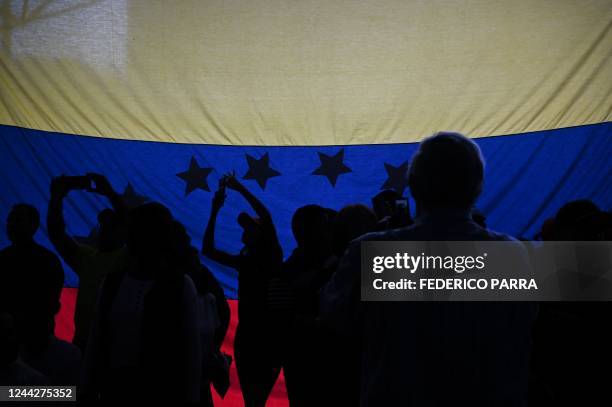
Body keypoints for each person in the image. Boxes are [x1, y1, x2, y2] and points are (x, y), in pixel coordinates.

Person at [320, 132, 537, 406]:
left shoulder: (371, 254)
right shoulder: (512, 256)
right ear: (478, 186)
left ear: (412, 184)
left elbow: (336, 319)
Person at [83, 202, 201, 402]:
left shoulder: (181, 285)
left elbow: (191, 352)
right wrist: (86, 390)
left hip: (161, 392)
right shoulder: (112, 283)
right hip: (115, 390)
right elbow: (96, 341)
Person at [202, 173, 283, 407]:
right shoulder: (244, 261)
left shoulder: (271, 256)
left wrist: (240, 188)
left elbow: (266, 216)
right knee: (252, 399)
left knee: (257, 397)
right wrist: (215, 210)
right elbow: (208, 250)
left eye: (251, 227)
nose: (245, 230)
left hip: (267, 335)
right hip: (247, 336)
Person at [47, 174, 129, 349]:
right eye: (103, 226)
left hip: (115, 347)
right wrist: (56, 198)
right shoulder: (88, 258)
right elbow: (57, 234)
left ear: (124, 231)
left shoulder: (129, 258)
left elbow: (133, 226)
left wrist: (110, 194)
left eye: (112, 226)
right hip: (84, 343)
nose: (105, 231)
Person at [0, 204, 64, 350]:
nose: (11, 225)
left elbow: (49, 303)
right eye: (10, 220)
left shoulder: (47, 261)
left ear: (34, 225)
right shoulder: (3, 258)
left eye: (18, 220)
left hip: (35, 341)